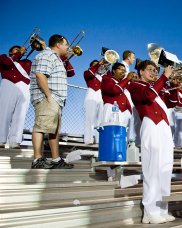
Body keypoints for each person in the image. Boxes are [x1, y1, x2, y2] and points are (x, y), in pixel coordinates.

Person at [127, 60, 175, 224]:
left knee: (165, 169)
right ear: (141, 72)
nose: (154, 73)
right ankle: (150, 211)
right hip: (151, 125)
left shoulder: (157, 88)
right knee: (152, 169)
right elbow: (147, 96)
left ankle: (162, 209)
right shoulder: (135, 86)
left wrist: (172, 82)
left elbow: (173, 102)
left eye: (156, 70)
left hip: (164, 128)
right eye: (150, 70)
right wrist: (163, 77)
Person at [29, 34, 73, 169]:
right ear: (58, 45)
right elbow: (40, 74)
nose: (68, 48)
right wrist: (48, 96)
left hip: (56, 99)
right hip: (48, 97)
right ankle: (37, 159)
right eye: (66, 44)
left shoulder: (56, 58)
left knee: (53, 130)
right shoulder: (46, 55)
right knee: (41, 127)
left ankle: (56, 159)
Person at [0, 45, 33, 148]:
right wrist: (19, 53)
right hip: (9, 83)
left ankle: (15, 140)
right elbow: (6, 63)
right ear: (11, 52)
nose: (19, 50)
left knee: (20, 115)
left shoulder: (26, 62)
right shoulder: (4, 57)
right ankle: (1, 139)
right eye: (16, 49)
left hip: (24, 87)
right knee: (4, 112)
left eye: (20, 49)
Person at [83, 59, 106, 145]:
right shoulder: (87, 72)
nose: (99, 66)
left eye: (99, 65)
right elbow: (89, 73)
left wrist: (106, 67)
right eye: (95, 65)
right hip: (91, 94)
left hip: (101, 96)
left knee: (101, 119)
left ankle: (99, 140)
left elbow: (110, 77)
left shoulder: (104, 76)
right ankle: (88, 139)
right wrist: (98, 64)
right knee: (90, 118)